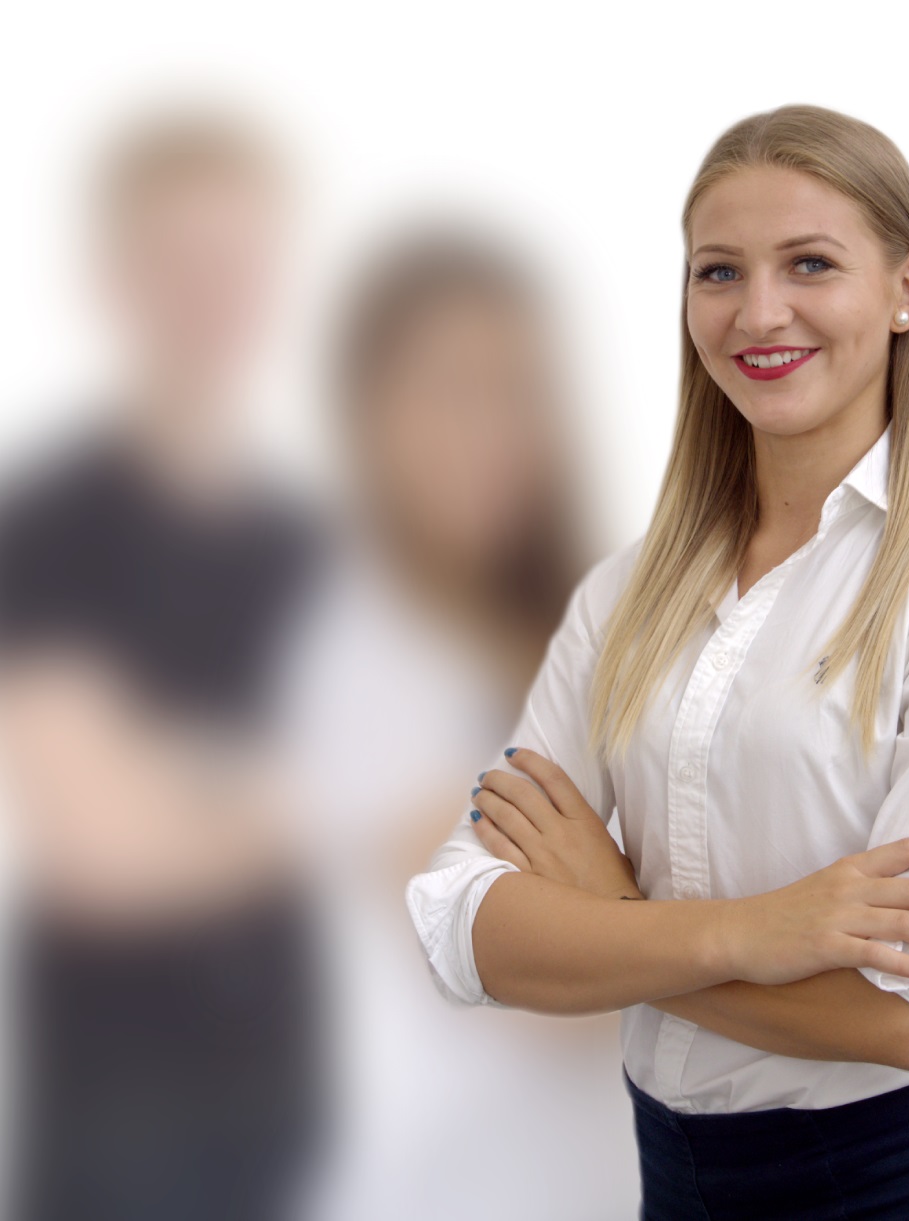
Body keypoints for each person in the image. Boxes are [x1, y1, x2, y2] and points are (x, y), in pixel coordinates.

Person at [405, 104, 909, 1220]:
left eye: (810, 263)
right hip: (684, 1184)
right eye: (720, 272)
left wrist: (611, 917)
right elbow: (460, 920)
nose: (760, 312)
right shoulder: (626, 596)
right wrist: (747, 933)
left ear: (908, 290)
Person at [0, 106, 324, 1219]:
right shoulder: (48, 530)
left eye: (236, 260)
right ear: (114, 278)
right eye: (179, 261)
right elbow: (104, 850)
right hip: (126, 1125)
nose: (212, 292)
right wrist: (314, 794)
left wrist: (204, 788)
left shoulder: (308, 542)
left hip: (299, 1101)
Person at [281, 230, 637, 1218]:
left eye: (517, 390)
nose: (492, 429)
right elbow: (532, 969)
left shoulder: (598, 624)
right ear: (369, 417)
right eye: (451, 391)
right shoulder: (363, 657)